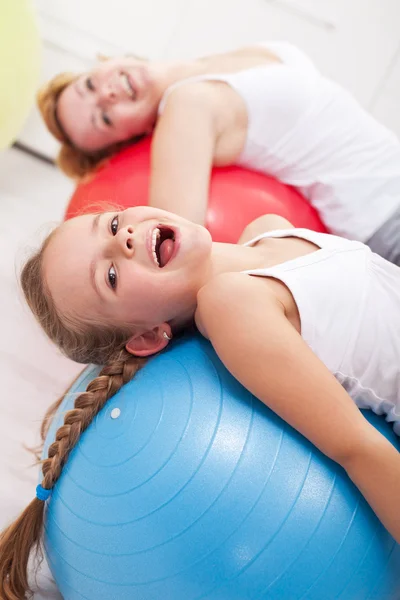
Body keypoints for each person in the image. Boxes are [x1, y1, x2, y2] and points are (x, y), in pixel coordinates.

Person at [1, 205, 400, 599]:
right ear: (146, 338)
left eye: (113, 224)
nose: (122, 238)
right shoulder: (232, 306)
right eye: (110, 276)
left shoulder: (270, 230)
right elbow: (358, 448)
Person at [38, 41, 400, 264]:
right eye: (104, 118)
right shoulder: (183, 111)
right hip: (385, 222)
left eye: (89, 84)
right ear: (128, 140)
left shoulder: (209, 64)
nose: (106, 94)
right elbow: (176, 250)